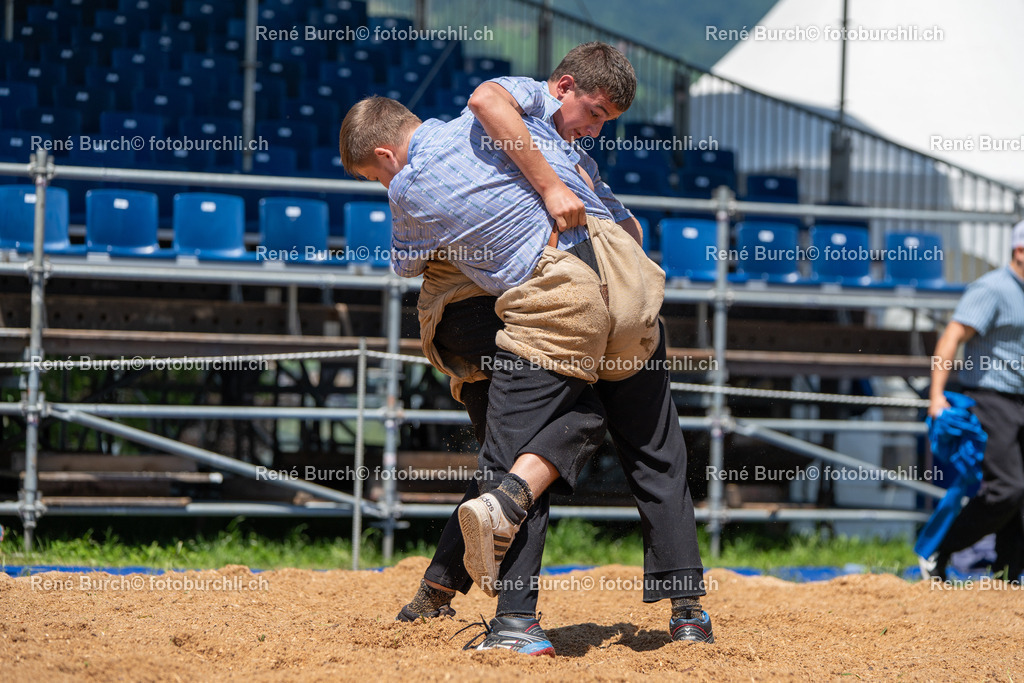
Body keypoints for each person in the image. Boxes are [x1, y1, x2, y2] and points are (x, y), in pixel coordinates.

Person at [339, 44, 711, 654]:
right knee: (651, 450)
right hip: (630, 282)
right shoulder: (540, 130)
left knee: (512, 453)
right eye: (593, 114)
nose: (591, 127)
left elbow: (409, 263)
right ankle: (688, 610)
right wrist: (563, 187)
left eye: (376, 174)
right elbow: (621, 220)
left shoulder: (417, 176)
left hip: (545, 296)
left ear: (384, 154)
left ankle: (515, 622)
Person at [925, 220, 1024, 582]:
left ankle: (1009, 574)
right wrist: (936, 395)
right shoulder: (992, 289)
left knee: (1020, 496)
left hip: (1019, 400)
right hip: (991, 398)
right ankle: (940, 547)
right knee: (1007, 489)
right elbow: (952, 336)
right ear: (1019, 251)